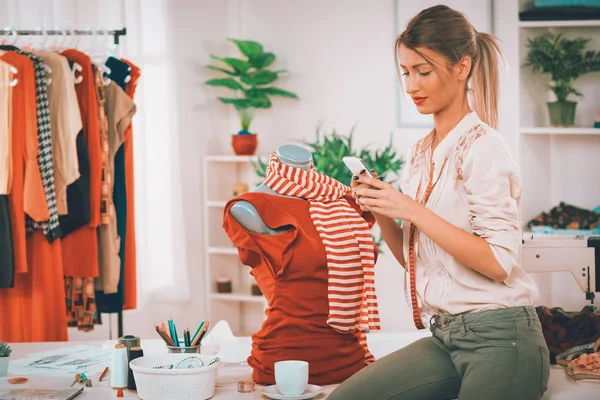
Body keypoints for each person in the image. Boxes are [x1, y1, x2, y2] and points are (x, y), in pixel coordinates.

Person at [328, 5, 550, 400]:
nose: (412, 85)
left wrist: (411, 209)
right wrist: (382, 209)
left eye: (423, 71)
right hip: (446, 336)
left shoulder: (484, 147)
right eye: (406, 72)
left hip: (502, 338)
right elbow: (417, 260)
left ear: (462, 67)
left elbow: (499, 263)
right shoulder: (422, 152)